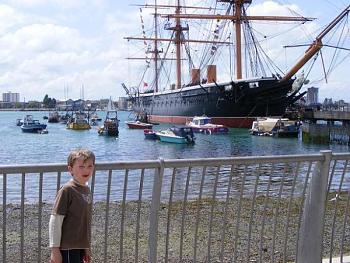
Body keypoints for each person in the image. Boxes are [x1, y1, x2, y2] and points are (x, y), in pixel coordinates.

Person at [49, 149, 95, 263]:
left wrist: (86, 247)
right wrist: (55, 250)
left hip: (79, 246)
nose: (86, 170)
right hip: (68, 247)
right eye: (81, 166)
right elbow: (55, 220)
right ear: (70, 169)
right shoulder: (67, 190)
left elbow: (84, 222)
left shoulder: (86, 189)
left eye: (90, 166)